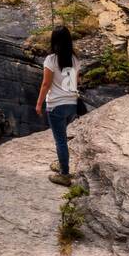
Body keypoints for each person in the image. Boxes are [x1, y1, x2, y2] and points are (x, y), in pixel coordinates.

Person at [36, 25, 82, 184]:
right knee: (63, 138)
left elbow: (46, 84)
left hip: (55, 106)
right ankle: (63, 163)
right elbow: (75, 83)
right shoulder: (75, 60)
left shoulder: (51, 59)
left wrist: (38, 103)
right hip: (71, 106)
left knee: (60, 140)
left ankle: (64, 174)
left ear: (54, 41)